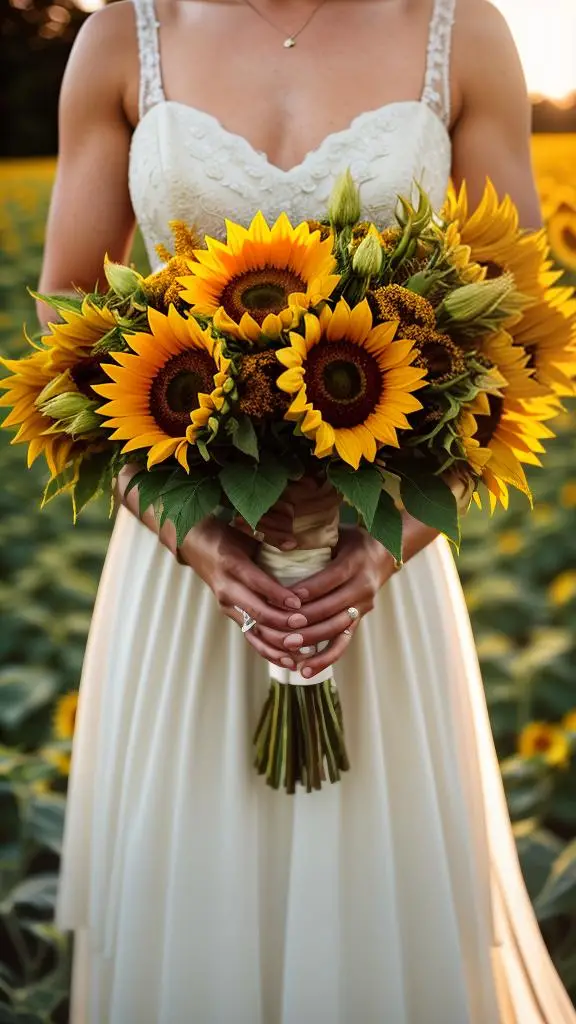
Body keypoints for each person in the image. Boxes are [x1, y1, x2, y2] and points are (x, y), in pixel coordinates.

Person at [37, 0, 576, 1019]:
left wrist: (385, 546)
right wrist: (192, 533)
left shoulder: (461, 30)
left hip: (379, 575)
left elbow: (524, 342)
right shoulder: (122, 37)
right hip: (185, 577)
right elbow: (66, 345)